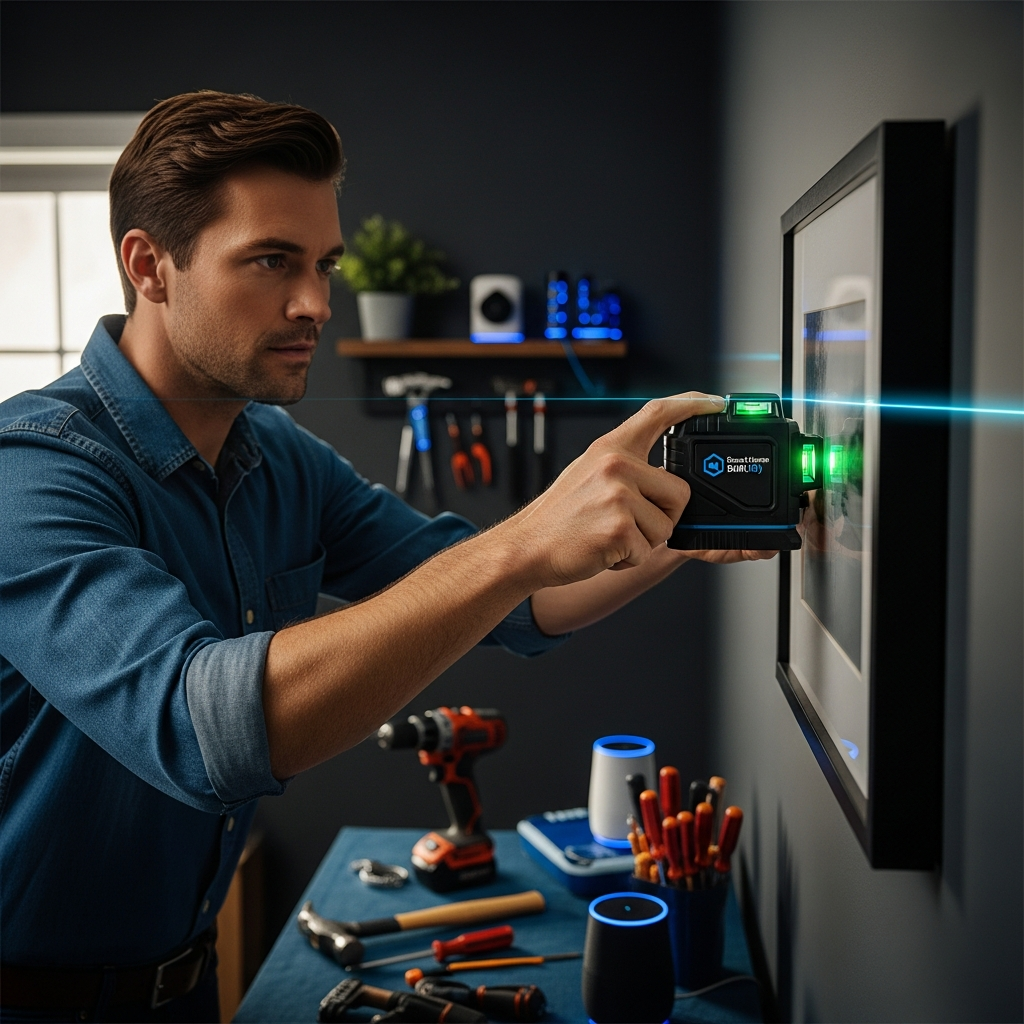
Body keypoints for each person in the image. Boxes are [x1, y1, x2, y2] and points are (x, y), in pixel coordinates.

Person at [0, 91, 770, 1022]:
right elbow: (206, 731)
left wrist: (697, 522)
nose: (317, 302)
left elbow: (520, 603)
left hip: (186, 986)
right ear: (149, 266)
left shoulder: (279, 456)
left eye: (324, 263)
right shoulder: (33, 474)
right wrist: (525, 541)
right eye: (273, 261)